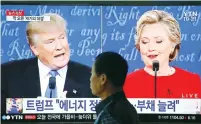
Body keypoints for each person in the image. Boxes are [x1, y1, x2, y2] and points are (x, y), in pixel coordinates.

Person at [1, 13, 95, 113]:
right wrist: (35, 109)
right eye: (50, 41)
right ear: (35, 48)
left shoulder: (90, 78)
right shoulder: (8, 75)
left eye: (62, 38)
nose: (59, 46)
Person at [124, 10, 201, 98]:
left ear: (173, 45)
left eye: (158, 41)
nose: (150, 48)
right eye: (144, 42)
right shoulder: (126, 84)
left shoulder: (192, 81)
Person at [90, 51, 139, 124]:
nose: (90, 79)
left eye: (92, 74)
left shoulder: (109, 114)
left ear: (103, 79)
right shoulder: (126, 108)